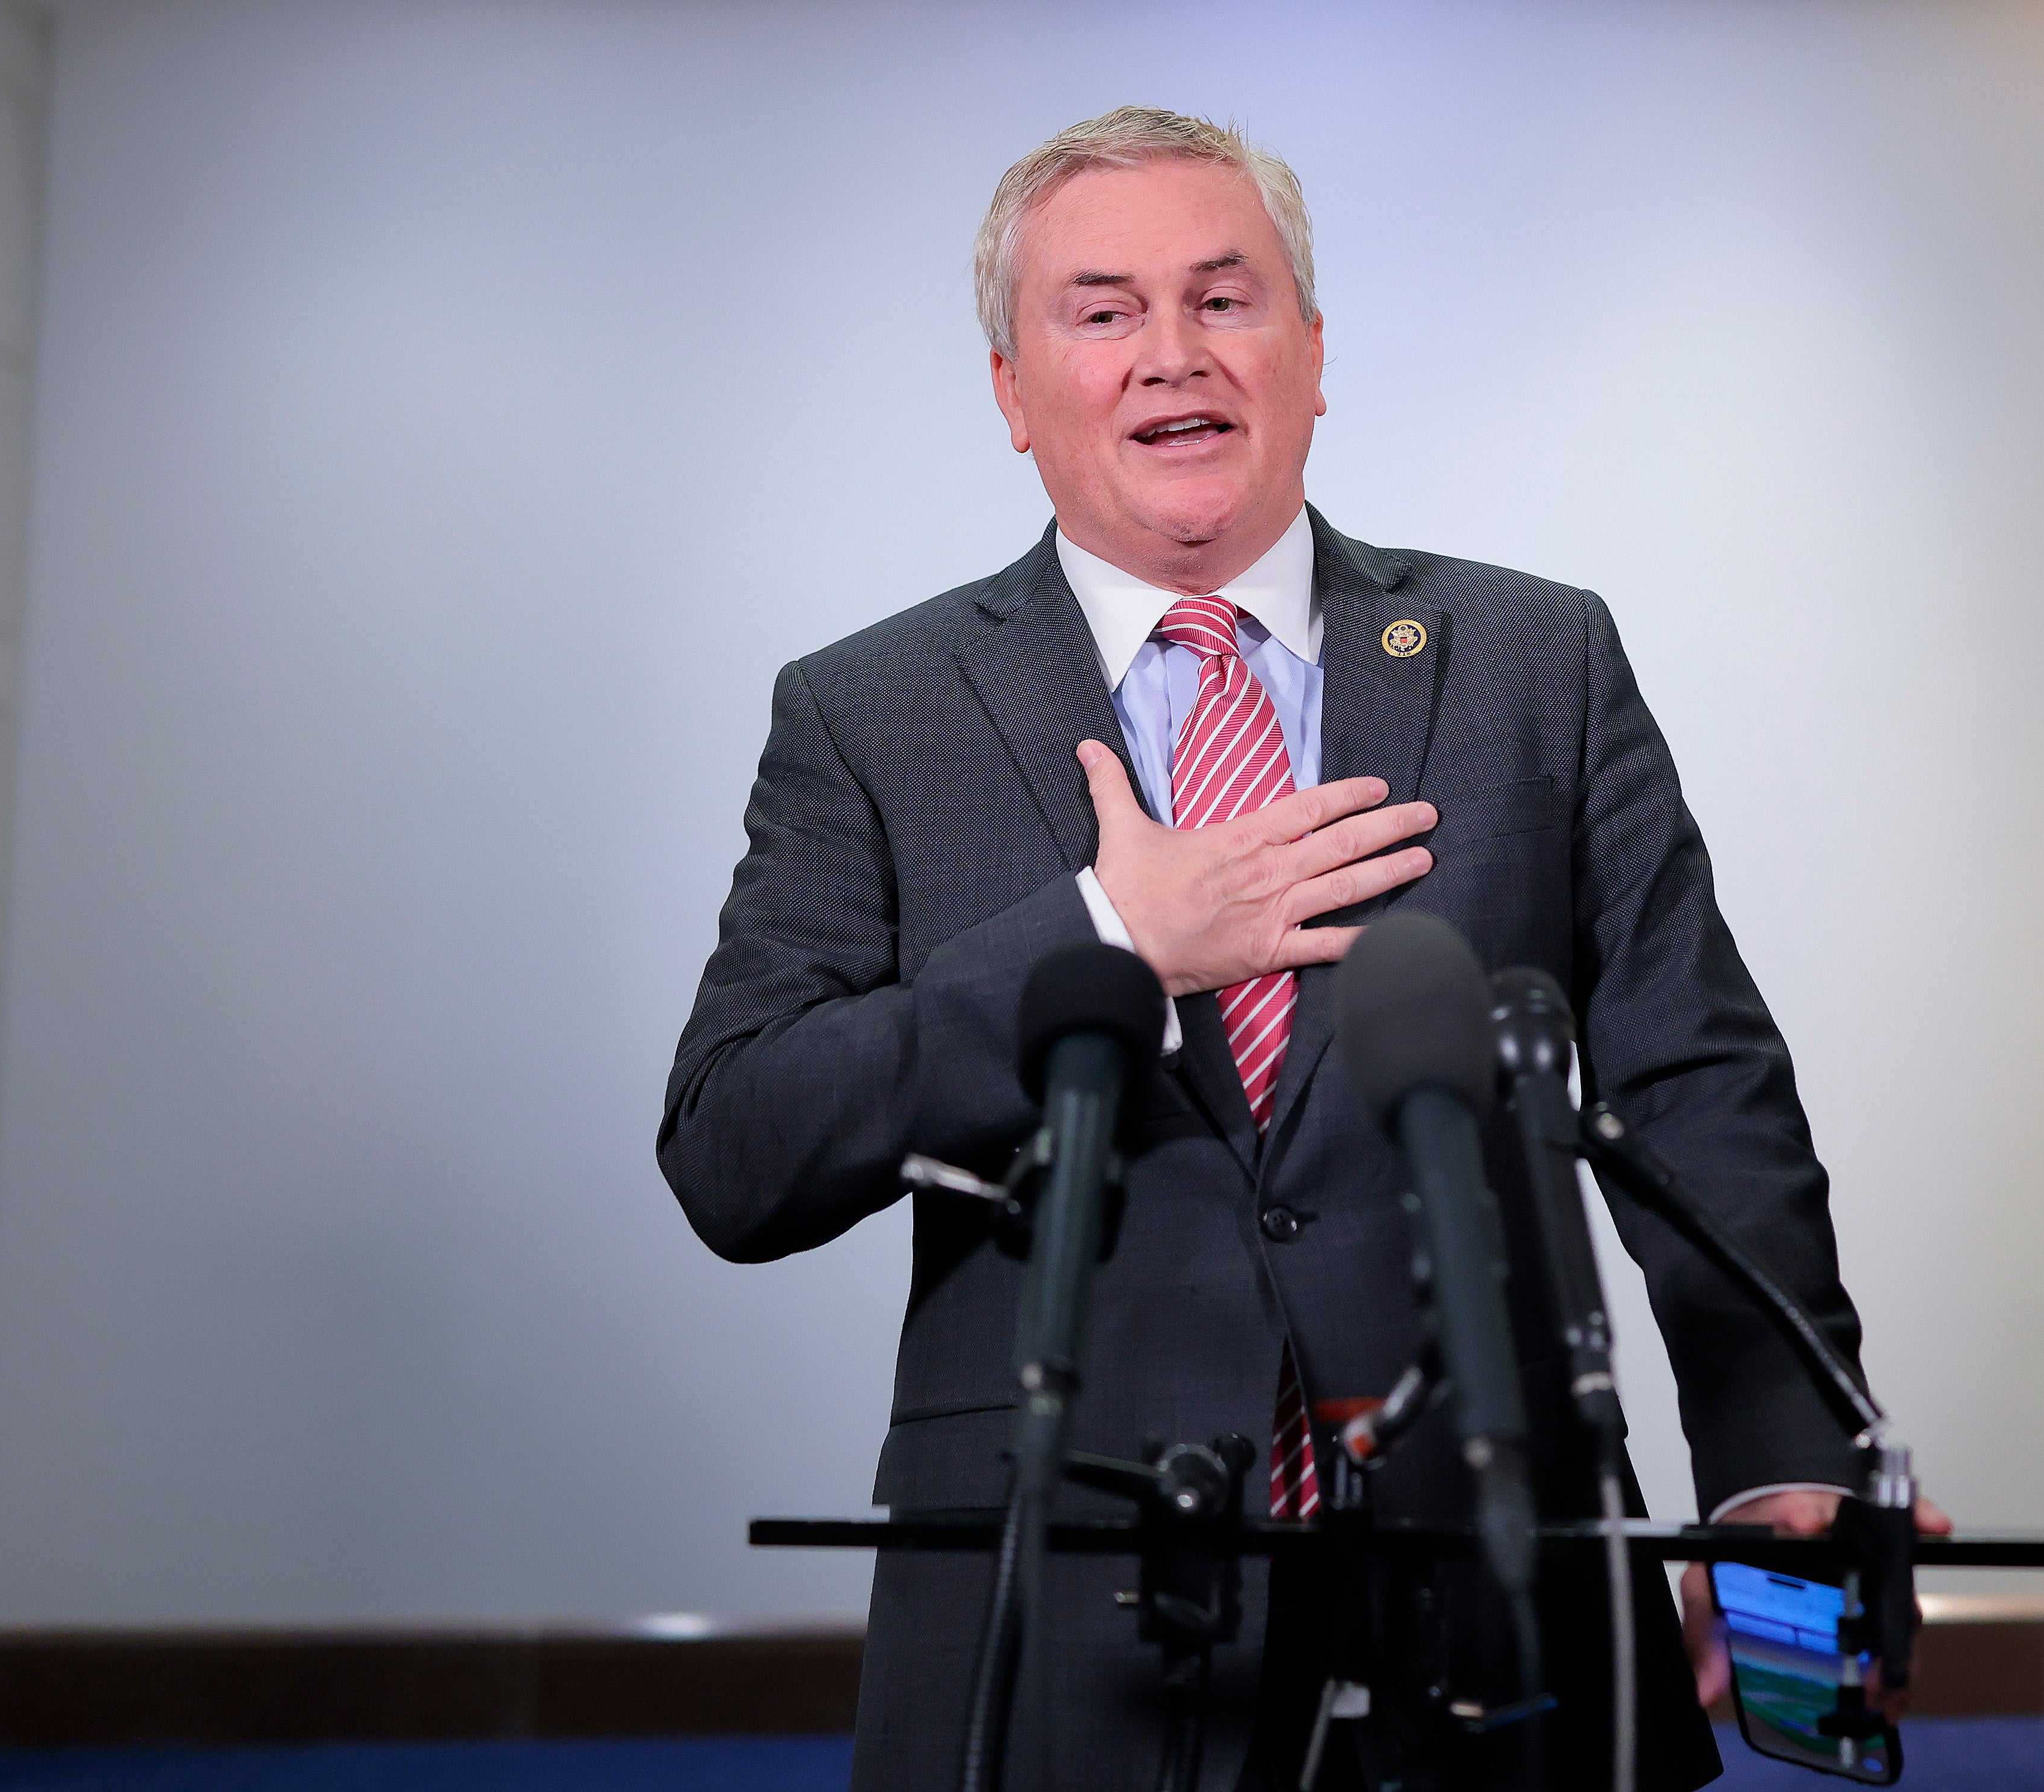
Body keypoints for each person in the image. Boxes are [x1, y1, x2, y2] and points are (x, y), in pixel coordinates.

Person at [661, 108, 1946, 1792]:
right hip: (1053, 1614)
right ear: (1010, 393)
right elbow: (739, 1145)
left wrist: (1788, 1454)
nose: (1172, 355)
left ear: (1315, 353)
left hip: (1495, 1580)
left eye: (1226, 298)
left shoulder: (1531, 663)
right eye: (1103, 311)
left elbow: (1700, 1093)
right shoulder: (869, 714)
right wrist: (1120, 936)